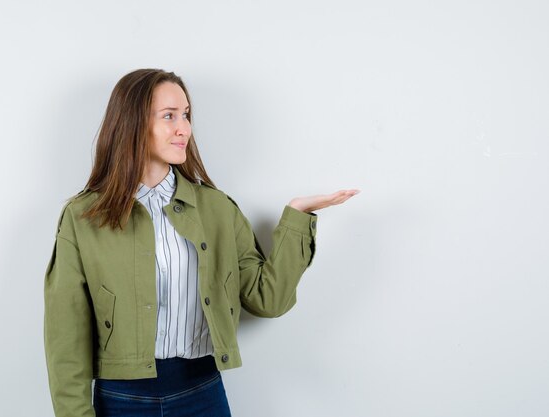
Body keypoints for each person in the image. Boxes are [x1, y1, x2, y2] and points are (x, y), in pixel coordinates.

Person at [43, 68, 360, 417]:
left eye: (186, 115)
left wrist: (297, 217)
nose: (184, 129)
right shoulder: (83, 216)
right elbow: (65, 338)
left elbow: (268, 300)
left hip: (202, 394)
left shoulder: (216, 209)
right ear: (132, 123)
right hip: (122, 401)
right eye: (169, 116)